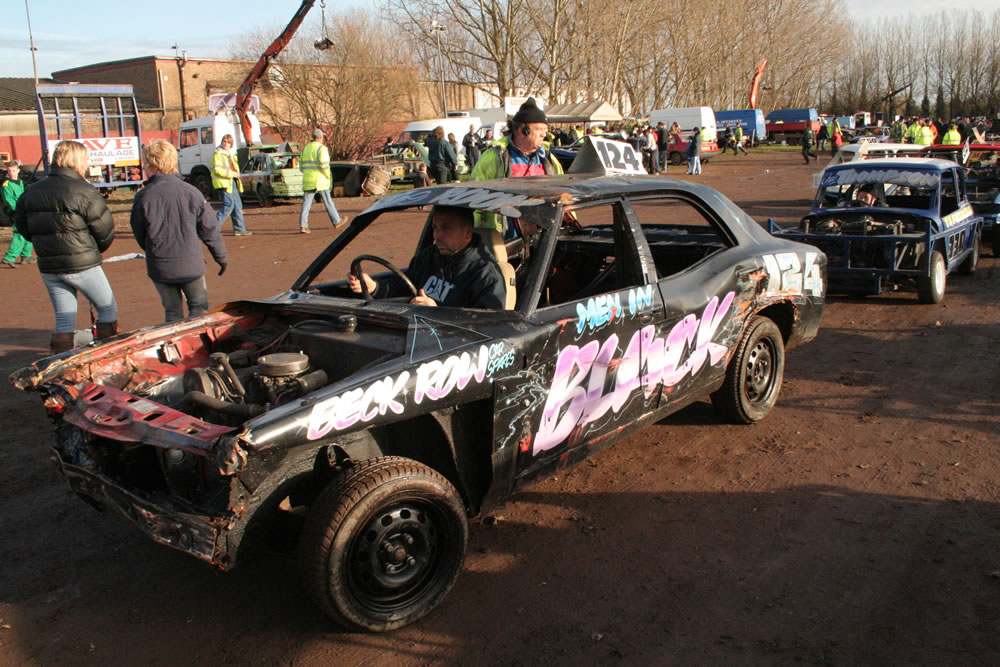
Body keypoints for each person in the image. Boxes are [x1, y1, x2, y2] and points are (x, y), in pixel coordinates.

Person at [14, 140, 118, 354]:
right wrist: (92, 251)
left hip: (49, 265)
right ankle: (106, 355)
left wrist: (45, 245)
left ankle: (60, 359)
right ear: (78, 161)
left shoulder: (31, 191)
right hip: (82, 263)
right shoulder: (84, 190)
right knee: (107, 308)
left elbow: (23, 227)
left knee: (64, 317)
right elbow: (104, 230)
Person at [129, 140, 228, 323]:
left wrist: (154, 250)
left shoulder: (143, 197)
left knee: (172, 313)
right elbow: (210, 230)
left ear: (151, 164)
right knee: (199, 311)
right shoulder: (192, 192)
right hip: (191, 264)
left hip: (160, 265)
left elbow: (140, 233)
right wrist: (221, 258)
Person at [347, 206, 505, 309]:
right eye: (435, 228)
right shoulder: (427, 257)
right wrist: (374, 287)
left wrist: (437, 313)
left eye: (446, 228)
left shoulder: (486, 274)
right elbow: (401, 286)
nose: (437, 236)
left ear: (467, 234)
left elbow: (488, 328)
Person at [470, 97, 564, 232]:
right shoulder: (494, 157)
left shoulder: (549, 159)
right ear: (522, 130)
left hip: (541, 234)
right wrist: (483, 235)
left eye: (545, 129)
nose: (544, 134)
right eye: (540, 129)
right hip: (506, 236)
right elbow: (475, 197)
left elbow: (564, 197)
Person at [298, 128, 347, 234]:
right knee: (328, 201)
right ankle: (337, 221)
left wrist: (307, 173)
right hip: (320, 180)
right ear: (320, 137)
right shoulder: (322, 149)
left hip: (308, 180)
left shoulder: (306, 148)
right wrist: (328, 176)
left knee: (306, 204)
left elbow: (301, 165)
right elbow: (324, 166)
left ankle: (303, 226)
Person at [211, 134, 250, 237]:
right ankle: (211, 229)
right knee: (229, 205)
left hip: (232, 182)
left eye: (228, 142)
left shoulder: (231, 155)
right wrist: (232, 174)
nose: (225, 144)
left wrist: (236, 175)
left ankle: (240, 229)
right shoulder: (217, 154)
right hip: (224, 183)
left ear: (231, 144)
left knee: (237, 205)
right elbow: (217, 170)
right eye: (224, 141)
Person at [2, 159, 34, 268]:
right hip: (15, 213)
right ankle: (9, 257)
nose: (11, 173)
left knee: (28, 232)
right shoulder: (6, 185)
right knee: (19, 234)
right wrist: (20, 209)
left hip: (24, 211)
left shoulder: (20, 182)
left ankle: (26, 256)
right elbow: (9, 201)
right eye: (9, 171)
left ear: (18, 170)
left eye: (13, 170)